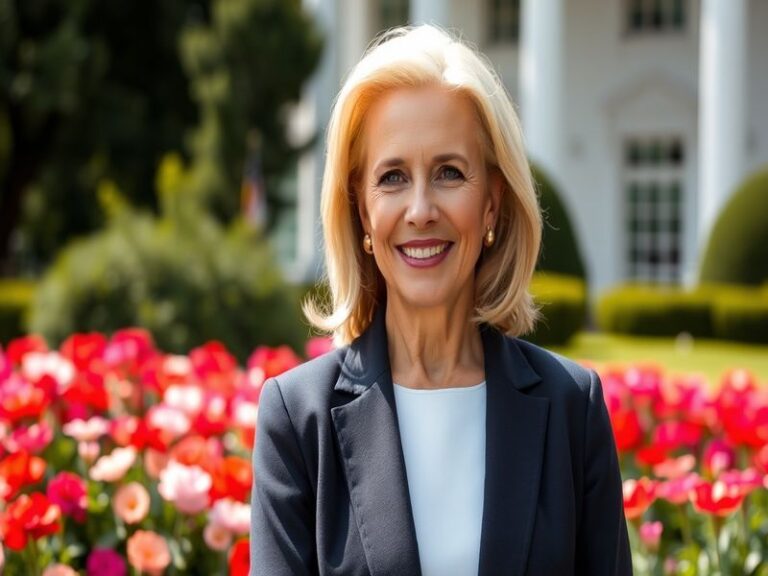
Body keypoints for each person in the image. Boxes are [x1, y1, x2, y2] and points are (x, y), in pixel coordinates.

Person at [250, 25, 632, 576]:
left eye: (449, 172)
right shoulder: (296, 418)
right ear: (362, 210)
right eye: (393, 177)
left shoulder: (573, 407)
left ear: (493, 204)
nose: (421, 208)